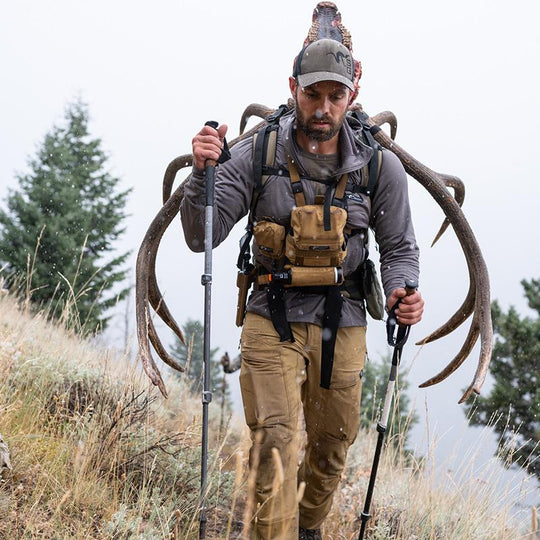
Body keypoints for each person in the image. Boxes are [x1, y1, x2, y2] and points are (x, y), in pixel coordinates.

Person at [180, 38, 424, 540]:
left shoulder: (381, 167)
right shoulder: (256, 152)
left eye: (336, 95)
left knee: (333, 445)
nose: (324, 108)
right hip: (272, 315)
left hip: (346, 317)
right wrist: (202, 176)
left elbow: (400, 247)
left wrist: (403, 290)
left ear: (352, 95)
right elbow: (199, 234)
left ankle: (307, 527)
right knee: (275, 441)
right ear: (294, 90)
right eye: (314, 95)